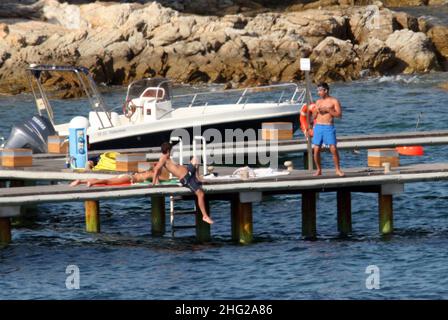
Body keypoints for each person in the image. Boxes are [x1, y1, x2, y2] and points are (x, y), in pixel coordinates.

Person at [152, 142, 214, 225]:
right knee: (200, 194)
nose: (171, 152)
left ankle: (198, 178)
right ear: (167, 150)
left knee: (195, 160)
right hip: (186, 179)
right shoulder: (163, 159)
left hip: (188, 172)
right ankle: (205, 216)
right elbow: (156, 169)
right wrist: (154, 183)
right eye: (171, 150)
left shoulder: (168, 158)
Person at [311, 82, 344, 177]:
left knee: (333, 149)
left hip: (328, 127)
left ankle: (338, 170)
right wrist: (315, 112)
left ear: (326, 90)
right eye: (317, 91)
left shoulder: (334, 101)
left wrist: (328, 110)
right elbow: (313, 117)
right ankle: (319, 170)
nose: (318, 93)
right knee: (316, 149)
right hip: (318, 127)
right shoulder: (318, 102)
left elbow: (339, 115)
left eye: (320, 90)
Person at [70, 169, 156, 187]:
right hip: (129, 178)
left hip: (127, 175)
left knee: (109, 180)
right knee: (108, 182)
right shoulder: (152, 174)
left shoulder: (146, 172)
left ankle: (81, 181)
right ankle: (92, 183)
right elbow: (156, 182)